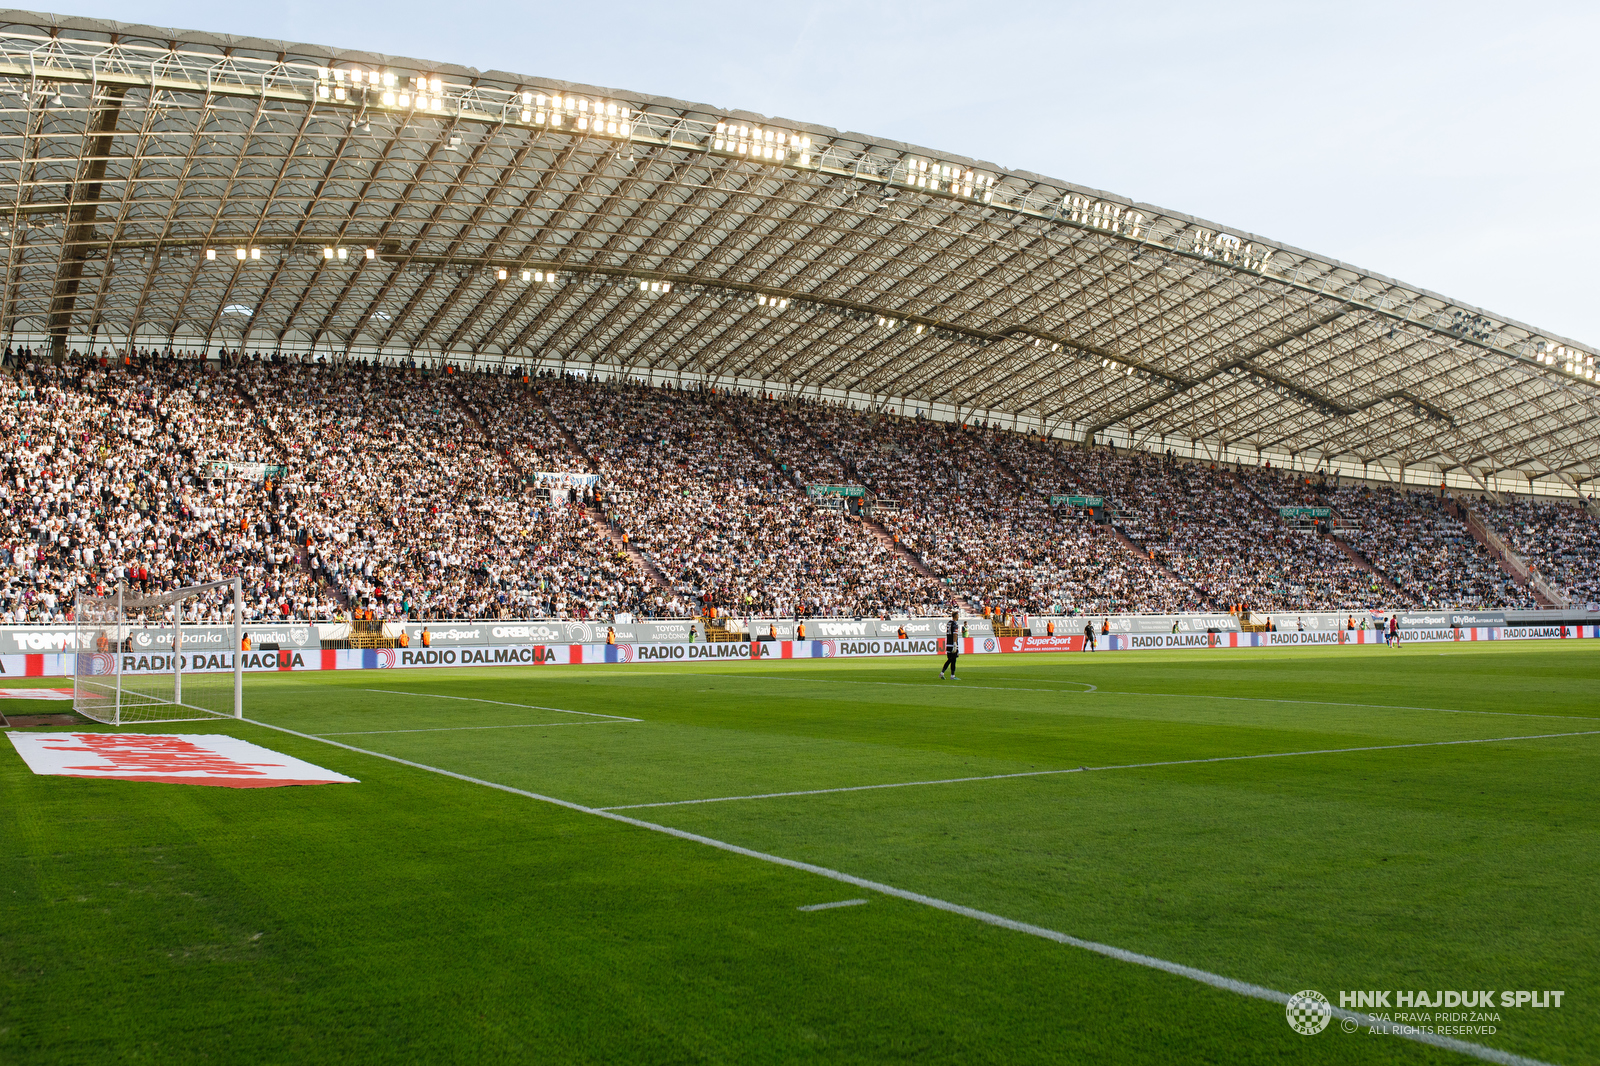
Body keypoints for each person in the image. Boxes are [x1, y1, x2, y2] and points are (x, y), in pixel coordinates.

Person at [940, 611, 961, 679]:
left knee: (950, 659)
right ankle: (952, 676)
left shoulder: (949, 623)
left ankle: (942, 673)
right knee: (953, 660)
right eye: (958, 615)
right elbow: (955, 634)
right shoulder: (955, 624)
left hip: (948, 643)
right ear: (956, 616)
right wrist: (955, 644)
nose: (958, 617)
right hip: (952, 643)